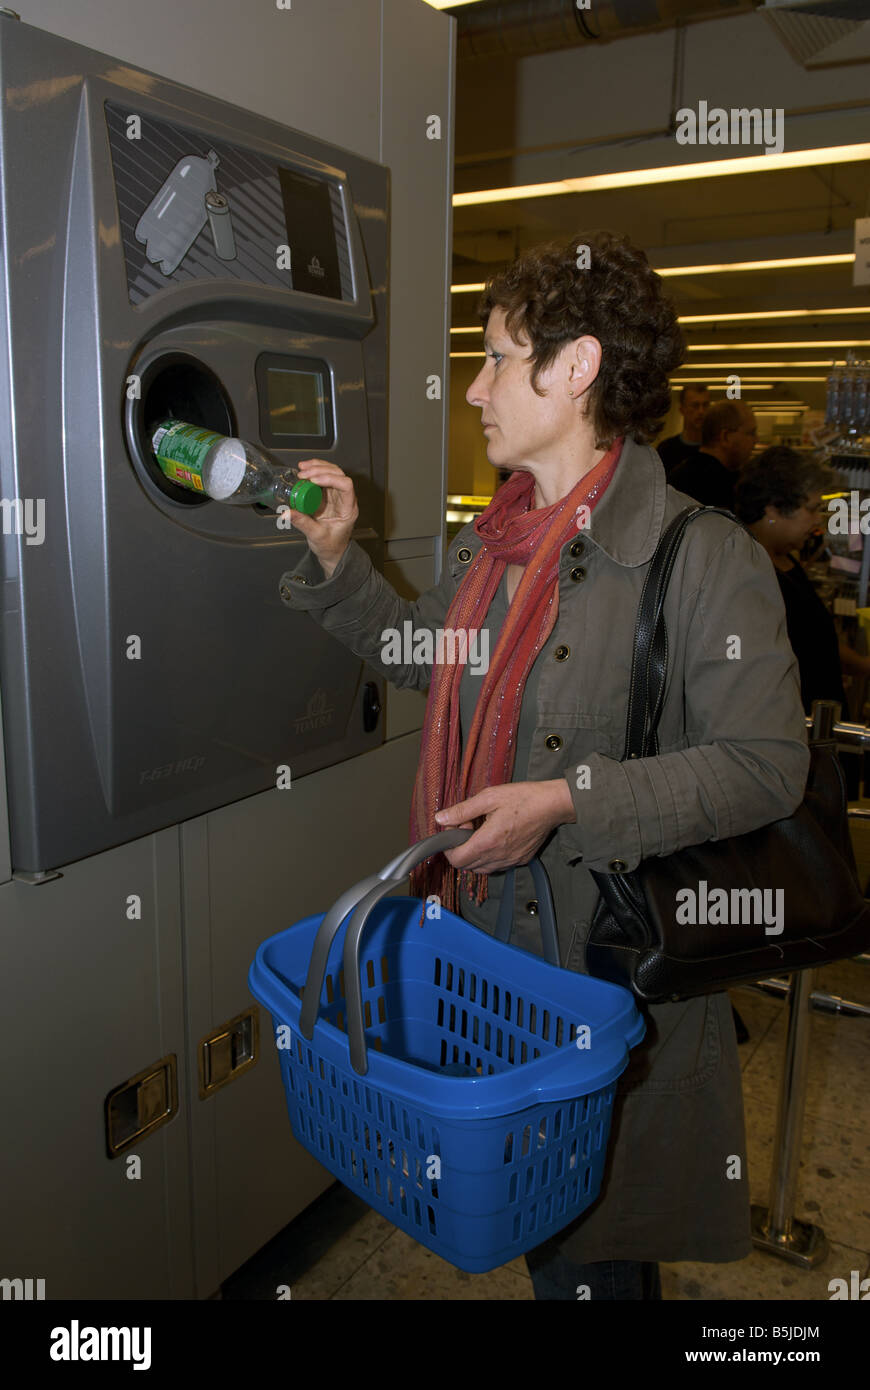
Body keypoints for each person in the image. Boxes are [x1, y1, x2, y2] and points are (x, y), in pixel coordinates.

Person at [278, 231, 809, 1300]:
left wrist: (570, 800)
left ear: (575, 370)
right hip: (489, 962)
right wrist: (338, 556)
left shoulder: (701, 556)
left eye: (495, 359)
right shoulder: (497, 543)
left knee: (592, 1254)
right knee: (544, 1238)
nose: (473, 389)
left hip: (601, 978)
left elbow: (766, 767)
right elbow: (426, 653)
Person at [735, 446, 858, 715]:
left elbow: (815, 640)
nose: (817, 522)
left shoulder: (784, 559)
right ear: (773, 510)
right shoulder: (748, 574)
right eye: (811, 510)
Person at [669, 398, 757, 509]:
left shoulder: (679, 476)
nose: (756, 440)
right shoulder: (727, 488)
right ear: (725, 436)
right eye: (751, 433)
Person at [656, 384, 709, 475]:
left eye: (705, 405)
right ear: (682, 409)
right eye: (695, 405)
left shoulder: (716, 449)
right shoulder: (667, 449)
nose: (701, 411)